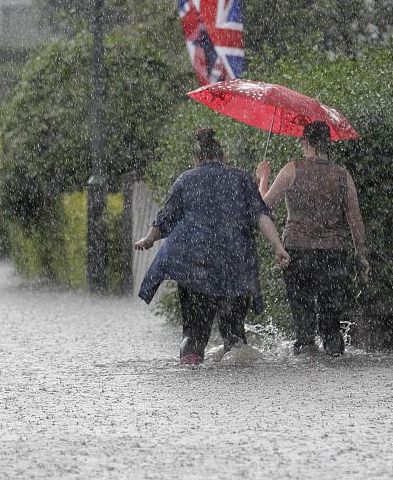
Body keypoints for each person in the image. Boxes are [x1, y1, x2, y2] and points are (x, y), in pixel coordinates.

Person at [136, 128, 291, 365]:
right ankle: (238, 366)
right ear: (223, 157)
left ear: (196, 160)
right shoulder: (240, 178)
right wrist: (278, 246)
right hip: (235, 266)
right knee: (235, 335)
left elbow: (165, 218)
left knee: (194, 335)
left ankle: (191, 363)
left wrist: (148, 239)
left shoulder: (186, 179)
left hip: (194, 267)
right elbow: (261, 216)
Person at [256, 121, 368, 357]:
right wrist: (361, 254)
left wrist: (262, 178)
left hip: (298, 252)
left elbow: (264, 207)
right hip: (334, 254)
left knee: (303, 323)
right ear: (327, 143)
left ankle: (306, 362)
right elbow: (355, 220)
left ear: (305, 142)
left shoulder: (292, 169)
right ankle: (334, 359)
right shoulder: (342, 175)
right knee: (331, 323)